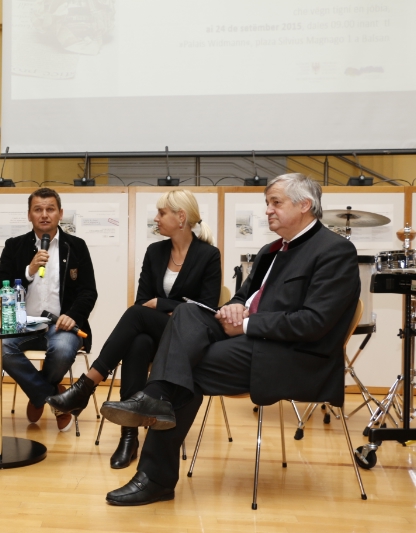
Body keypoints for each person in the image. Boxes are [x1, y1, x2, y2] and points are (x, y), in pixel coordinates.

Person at [97, 173, 360, 506]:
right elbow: (243, 296)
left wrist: (247, 324)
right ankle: (155, 401)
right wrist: (235, 307)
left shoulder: (335, 251)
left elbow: (315, 323)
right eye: (267, 203)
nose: (268, 210)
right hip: (253, 343)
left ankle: (155, 470)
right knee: (187, 313)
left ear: (304, 205)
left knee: (186, 368)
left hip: (293, 356)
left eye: (275, 202)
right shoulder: (270, 250)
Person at [47, 190, 220, 468]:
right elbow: (142, 302)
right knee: (137, 342)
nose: (156, 218)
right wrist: (168, 308)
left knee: (136, 317)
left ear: (181, 217)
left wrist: (163, 303)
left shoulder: (208, 255)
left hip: (188, 337)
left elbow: (206, 309)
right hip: (157, 332)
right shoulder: (155, 252)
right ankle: (129, 437)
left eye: (161, 213)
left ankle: (86, 387)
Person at [0, 188, 98, 432]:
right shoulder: (14, 246)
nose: (44, 215)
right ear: (29, 215)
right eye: (38, 209)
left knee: (62, 350)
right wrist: (28, 271)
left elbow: (88, 291)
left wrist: (72, 316)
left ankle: (37, 394)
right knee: (1, 347)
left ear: (60, 213)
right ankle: (52, 397)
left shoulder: (76, 246)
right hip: (23, 325)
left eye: (50, 209)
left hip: (61, 325)